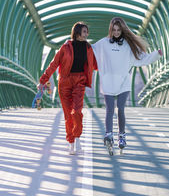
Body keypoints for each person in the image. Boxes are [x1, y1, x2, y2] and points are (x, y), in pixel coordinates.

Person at [92, 17, 162, 154]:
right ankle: (109, 134)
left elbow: (143, 58)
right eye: (114, 30)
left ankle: (122, 135)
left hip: (123, 82)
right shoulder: (103, 43)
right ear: (110, 30)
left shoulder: (128, 45)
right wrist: (74, 43)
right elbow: (90, 50)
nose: (116, 32)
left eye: (119, 30)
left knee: (121, 108)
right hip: (108, 82)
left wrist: (156, 55)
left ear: (122, 30)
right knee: (110, 109)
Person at [38, 22, 97, 155]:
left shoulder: (89, 49)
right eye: (84, 32)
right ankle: (71, 142)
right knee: (67, 114)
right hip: (64, 83)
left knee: (76, 111)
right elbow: (53, 65)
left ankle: (77, 138)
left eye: (87, 32)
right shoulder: (65, 47)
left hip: (80, 81)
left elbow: (96, 64)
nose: (87, 34)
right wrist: (43, 81)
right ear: (76, 33)